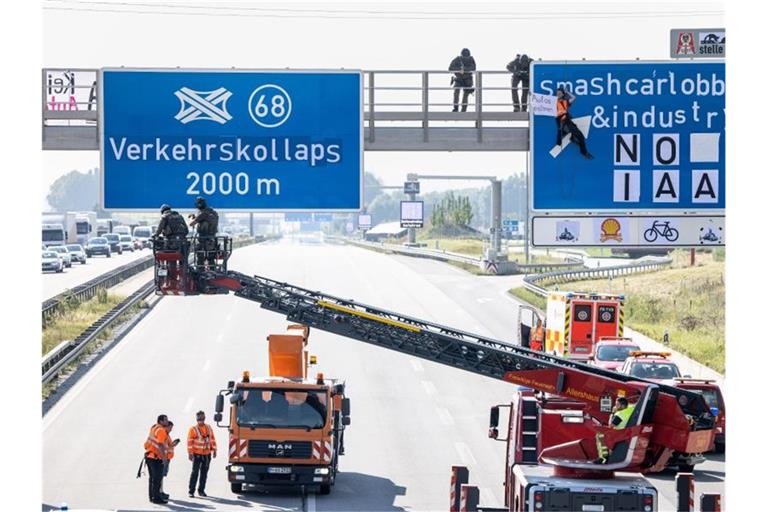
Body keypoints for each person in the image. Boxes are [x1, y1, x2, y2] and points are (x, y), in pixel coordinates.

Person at [556, 86, 594, 160]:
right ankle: (583, 151)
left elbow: (574, 97)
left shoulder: (565, 102)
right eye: (557, 93)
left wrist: (567, 92)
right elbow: (542, 102)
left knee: (580, 137)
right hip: (562, 124)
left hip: (568, 122)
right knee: (577, 136)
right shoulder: (553, 102)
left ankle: (582, 150)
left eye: (560, 93)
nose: (558, 94)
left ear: (563, 94)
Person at [188, 411, 217, 498]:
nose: (201, 420)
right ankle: (191, 491)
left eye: (203, 418)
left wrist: (214, 450)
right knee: (195, 473)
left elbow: (212, 439)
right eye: (199, 419)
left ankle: (201, 490)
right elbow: (190, 442)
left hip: (207, 455)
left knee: (204, 474)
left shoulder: (208, 427)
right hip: (197, 454)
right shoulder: (193, 429)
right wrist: (190, 453)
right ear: (196, 419)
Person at [143, 414, 170, 504]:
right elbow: (160, 445)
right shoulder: (161, 430)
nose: (167, 421)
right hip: (155, 458)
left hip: (149, 456)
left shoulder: (154, 427)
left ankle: (152, 497)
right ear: (161, 421)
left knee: (152, 479)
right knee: (157, 479)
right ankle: (157, 498)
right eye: (165, 420)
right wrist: (164, 458)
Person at [188, 197, 219, 266]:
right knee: (211, 258)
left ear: (199, 205)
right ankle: (212, 273)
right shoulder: (214, 213)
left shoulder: (203, 213)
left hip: (203, 239)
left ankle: (200, 273)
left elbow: (191, 224)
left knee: (200, 258)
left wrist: (191, 218)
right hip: (213, 239)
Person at [448, 48, 476, 112]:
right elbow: (450, 68)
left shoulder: (471, 59)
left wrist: (465, 70)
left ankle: (463, 109)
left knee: (465, 95)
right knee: (456, 93)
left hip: (467, 80)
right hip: (459, 79)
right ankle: (456, 108)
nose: (466, 58)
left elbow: (473, 68)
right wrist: (459, 70)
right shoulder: (458, 59)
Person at [160, 421, 180, 501]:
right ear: (166, 427)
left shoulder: (166, 435)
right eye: (170, 428)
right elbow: (164, 447)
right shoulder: (164, 435)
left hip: (167, 458)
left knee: (161, 477)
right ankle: (160, 492)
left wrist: (172, 444)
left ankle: (161, 491)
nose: (171, 429)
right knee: (160, 476)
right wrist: (172, 445)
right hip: (164, 458)